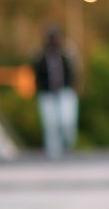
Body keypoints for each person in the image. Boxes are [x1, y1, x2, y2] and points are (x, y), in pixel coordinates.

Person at [33, 27, 77, 158]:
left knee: (66, 121)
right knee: (50, 124)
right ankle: (53, 154)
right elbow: (36, 74)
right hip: (47, 94)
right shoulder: (41, 57)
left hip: (65, 92)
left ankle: (67, 145)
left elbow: (73, 72)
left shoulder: (66, 54)